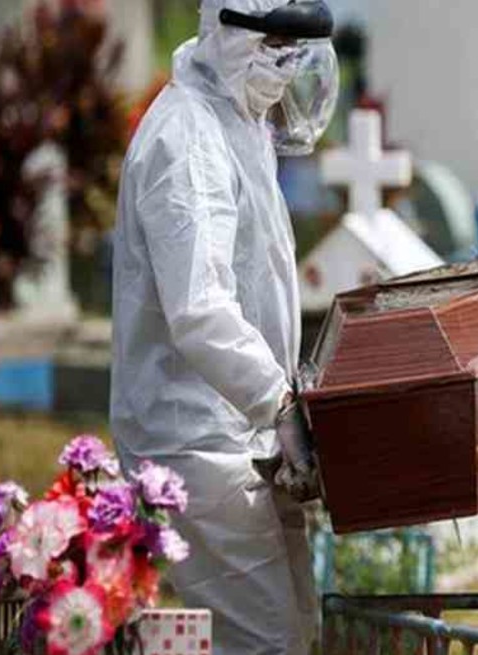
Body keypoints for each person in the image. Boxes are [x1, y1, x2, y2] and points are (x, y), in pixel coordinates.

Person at [111, 1, 339, 652]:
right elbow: (199, 308)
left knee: (298, 633)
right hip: (199, 443)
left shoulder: (235, 121)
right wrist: (279, 402)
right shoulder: (187, 140)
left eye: (296, 48)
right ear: (226, 31)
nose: (285, 64)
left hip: (244, 436)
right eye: (273, 44)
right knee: (267, 642)